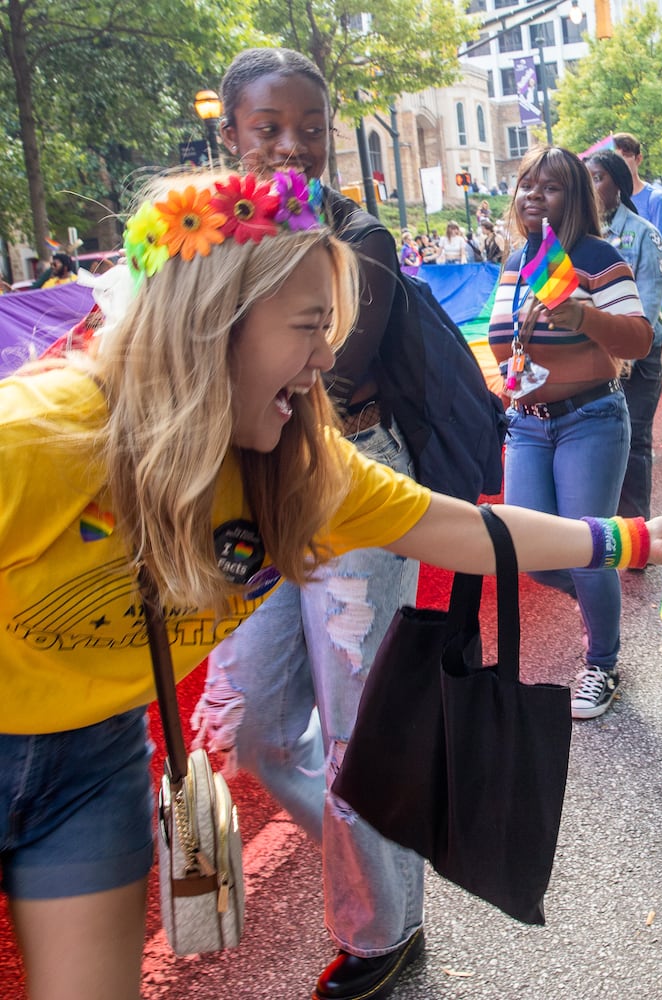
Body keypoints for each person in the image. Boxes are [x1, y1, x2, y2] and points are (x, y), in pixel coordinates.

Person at [0, 168, 662, 1000]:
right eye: (311, 327)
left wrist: (636, 536)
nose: (328, 357)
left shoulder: (299, 465)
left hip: (95, 766)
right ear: (214, 325)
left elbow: (462, 528)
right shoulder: (38, 443)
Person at [201, 47, 435, 1000]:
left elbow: (326, 375)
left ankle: (383, 931)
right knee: (251, 727)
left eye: (310, 128)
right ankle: (385, 866)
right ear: (232, 135)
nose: (292, 147)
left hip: (351, 488)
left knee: (355, 733)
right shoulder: (196, 239)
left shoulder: (356, 235)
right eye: (269, 129)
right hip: (239, 501)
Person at [485, 146, 655, 718]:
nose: (534, 195)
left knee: (586, 550)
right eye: (527, 185)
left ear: (576, 198)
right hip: (528, 426)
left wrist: (584, 317)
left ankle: (602, 664)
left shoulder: (597, 258)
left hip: (591, 420)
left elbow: (638, 339)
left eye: (550, 187)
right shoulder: (515, 262)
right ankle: (598, 606)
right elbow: (500, 343)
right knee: (533, 554)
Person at [586, 149, 662, 526]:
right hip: (594, 356)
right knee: (599, 441)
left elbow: (649, 306)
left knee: (634, 441)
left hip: (637, 356)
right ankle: (604, 531)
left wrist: (626, 358)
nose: (591, 185)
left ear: (617, 184)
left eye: (599, 177)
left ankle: (636, 534)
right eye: (587, 178)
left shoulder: (643, 234)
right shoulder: (582, 237)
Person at [611, 133, 662, 443]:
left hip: (657, 298)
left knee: (659, 374)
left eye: (626, 154)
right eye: (616, 155)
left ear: (638, 159)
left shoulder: (655, 200)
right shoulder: (607, 199)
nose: (622, 159)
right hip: (618, 298)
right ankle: (637, 437)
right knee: (622, 374)